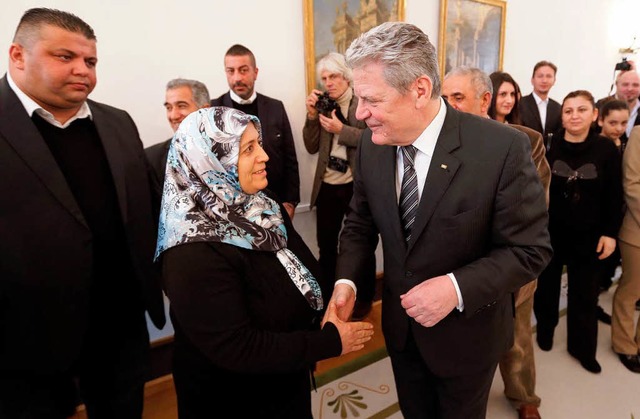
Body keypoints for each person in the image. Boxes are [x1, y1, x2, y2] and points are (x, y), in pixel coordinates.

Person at [328, 22, 551, 419]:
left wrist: (454, 288)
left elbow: (530, 250)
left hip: (469, 339)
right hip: (402, 333)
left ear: (419, 90)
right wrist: (346, 282)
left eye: (371, 100)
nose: (360, 114)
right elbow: (360, 223)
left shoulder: (501, 149)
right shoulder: (370, 145)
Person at [0, 8, 165, 418]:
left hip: (119, 325)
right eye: (65, 57)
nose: (83, 71)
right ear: (18, 55)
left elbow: (145, 209)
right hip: (23, 339)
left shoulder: (118, 123)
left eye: (90, 61)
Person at [157, 107, 373, 418]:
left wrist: (328, 303)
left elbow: (297, 267)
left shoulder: (261, 203)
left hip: (285, 377)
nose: (264, 156)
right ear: (211, 162)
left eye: (258, 143)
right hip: (237, 398)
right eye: (248, 149)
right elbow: (239, 347)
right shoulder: (191, 251)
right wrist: (327, 342)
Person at [443, 67, 550, 419]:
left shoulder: (526, 140)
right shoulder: (439, 141)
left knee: (516, 336)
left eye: (458, 98)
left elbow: (532, 208)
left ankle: (524, 397)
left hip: (508, 262)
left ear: (484, 100)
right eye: (445, 99)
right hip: (456, 268)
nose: (449, 106)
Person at [533, 90, 623, 374]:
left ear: (594, 114)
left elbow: (614, 194)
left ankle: (582, 348)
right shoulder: (549, 145)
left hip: (590, 236)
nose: (574, 116)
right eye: (569, 110)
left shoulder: (606, 149)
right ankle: (546, 330)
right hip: (551, 233)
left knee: (585, 294)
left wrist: (610, 233)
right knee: (546, 289)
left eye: (581, 110)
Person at [303, 52, 375, 317]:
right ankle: (329, 302)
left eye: (333, 76)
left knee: (361, 246)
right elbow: (311, 146)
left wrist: (340, 130)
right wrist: (312, 116)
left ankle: (364, 300)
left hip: (356, 185)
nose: (328, 83)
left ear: (346, 77)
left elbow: (373, 140)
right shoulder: (324, 105)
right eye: (324, 78)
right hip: (328, 185)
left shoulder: (361, 104)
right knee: (326, 246)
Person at [211, 44, 300, 219]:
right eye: (231, 71)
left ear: (255, 72)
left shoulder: (276, 107)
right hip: (232, 210)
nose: (237, 78)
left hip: (276, 204)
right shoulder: (213, 109)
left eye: (243, 70)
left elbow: (290, 157)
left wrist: (291, 201)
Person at [612, 125, 640, 373]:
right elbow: (631, 184)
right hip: (637, 231)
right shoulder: (639, 134)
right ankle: (624, 345)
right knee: (631, 290)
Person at [145, 78, 210, 185]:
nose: (173, 116)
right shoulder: (151, 158)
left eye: (181, 106)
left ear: (204, 110)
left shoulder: (232, 153)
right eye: (169, 108)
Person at [519, 61, 562, 147]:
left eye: (549, 76)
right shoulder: (520, 103)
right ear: (532, 80)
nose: (544, 80)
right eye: (540, 76)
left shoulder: (558, 108)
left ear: (554, 81)